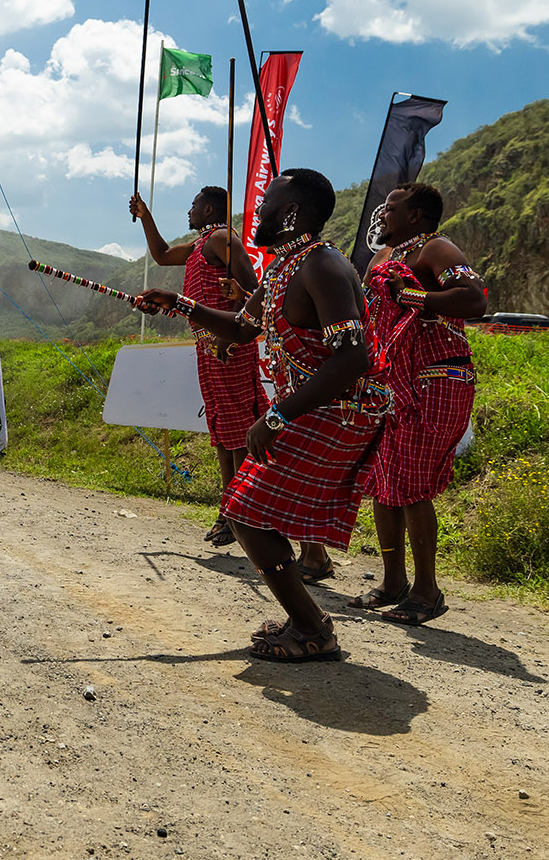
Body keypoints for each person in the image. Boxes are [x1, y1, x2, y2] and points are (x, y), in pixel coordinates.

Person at [134, 168, 389, 661]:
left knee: (246, 513)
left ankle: (312, 628)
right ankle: (308, 618)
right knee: (250, 510)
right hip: (317, 408)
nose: (258, 211)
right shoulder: (284, 268)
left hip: (339, 410)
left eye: (267, 201)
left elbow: (353, 357)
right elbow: (243, 327)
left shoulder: (324, 267)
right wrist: (182, 303)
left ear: (291, 213)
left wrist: (276, 417)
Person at [351, 183, 484, 625]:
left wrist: (411, 297)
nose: (382, 215)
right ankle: (394, 583)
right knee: (382, 481)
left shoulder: (436, 249)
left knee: (410, 483)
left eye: (391, 209)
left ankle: (427, 591)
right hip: (390, 381)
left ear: (416, 215)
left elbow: (473, 299)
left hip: (435, 378)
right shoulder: (380, 260)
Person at [130, 186, 266, 546]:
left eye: (193, 206)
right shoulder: (199, 245)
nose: (188, 212)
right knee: (223, 432)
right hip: (208, 349)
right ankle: (230, 509)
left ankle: (242, 511)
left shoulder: (223, 238)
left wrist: (232, 330)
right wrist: (146, 216)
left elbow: (255, 294)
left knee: (237, 432)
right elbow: (159, 255)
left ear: (208, 209)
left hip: (229, 345)